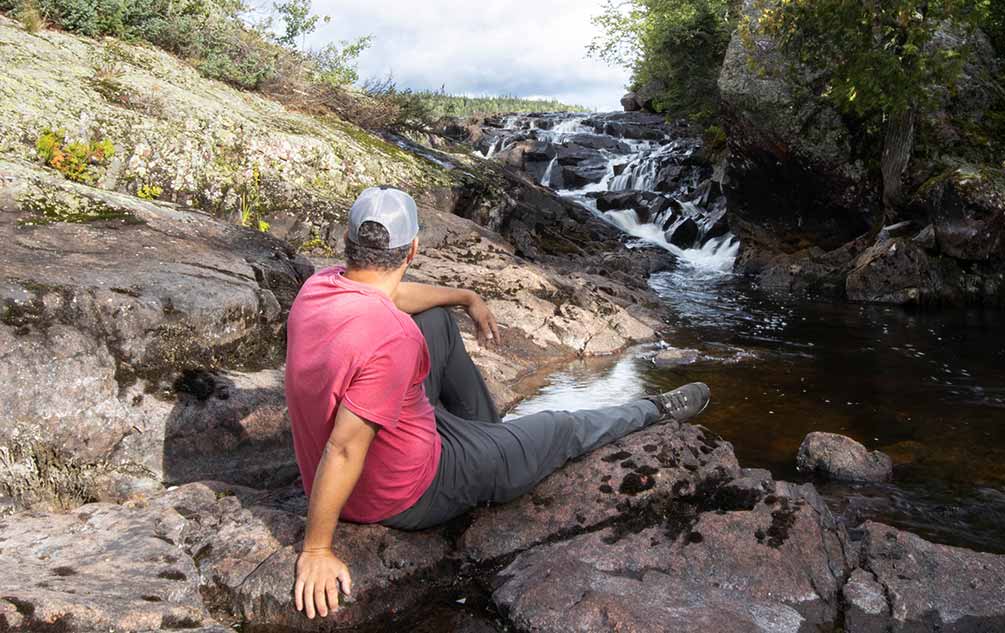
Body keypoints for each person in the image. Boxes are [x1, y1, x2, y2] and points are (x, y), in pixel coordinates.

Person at [283, 187, 711, 620]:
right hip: (407, 489)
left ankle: (489, 437)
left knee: (435, 318)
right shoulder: (390, 338)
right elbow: (344, 448)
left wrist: (467, 297)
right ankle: (656, 410)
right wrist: (317, 548)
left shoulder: (320, 286)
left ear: (349, 243)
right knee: (560, 428)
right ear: (413, 249)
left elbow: (392, 296)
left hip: (401, 440)